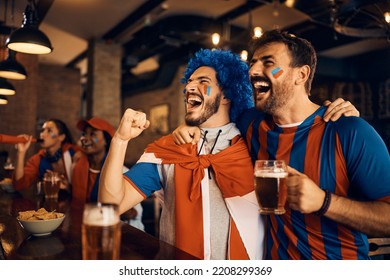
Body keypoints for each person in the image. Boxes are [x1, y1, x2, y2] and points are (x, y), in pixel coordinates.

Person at [175, 30, 390, 260]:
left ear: (301, 74)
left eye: (268, 63)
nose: (253, 71)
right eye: (253, 63)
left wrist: (324, 202)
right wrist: (190, 126)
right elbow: (212, 114)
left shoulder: (349, 130)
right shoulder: (251, 123)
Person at [99, 49, 265, 260]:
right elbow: (110, 205)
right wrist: (120, 140)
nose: (189, 87)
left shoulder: (254, 143)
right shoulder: (168, 149)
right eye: (189, 81)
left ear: (227, 94)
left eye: (203, 81)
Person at [72, 117, 144, 231]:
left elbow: (133, 213)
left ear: (106, 140)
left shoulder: (121, 172)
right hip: (87, 227)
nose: (85, 138)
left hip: (119, 232)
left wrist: (115, 205)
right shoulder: (78, 167)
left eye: (92, 134)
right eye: (84, 134)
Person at [13, 119, 81, 193]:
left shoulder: (75, 153)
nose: (42, 134)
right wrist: (21, 153)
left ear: (61, 137)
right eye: (42, 130)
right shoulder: (38, 159)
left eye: (49, 131)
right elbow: (19, 185)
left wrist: (68, 187)